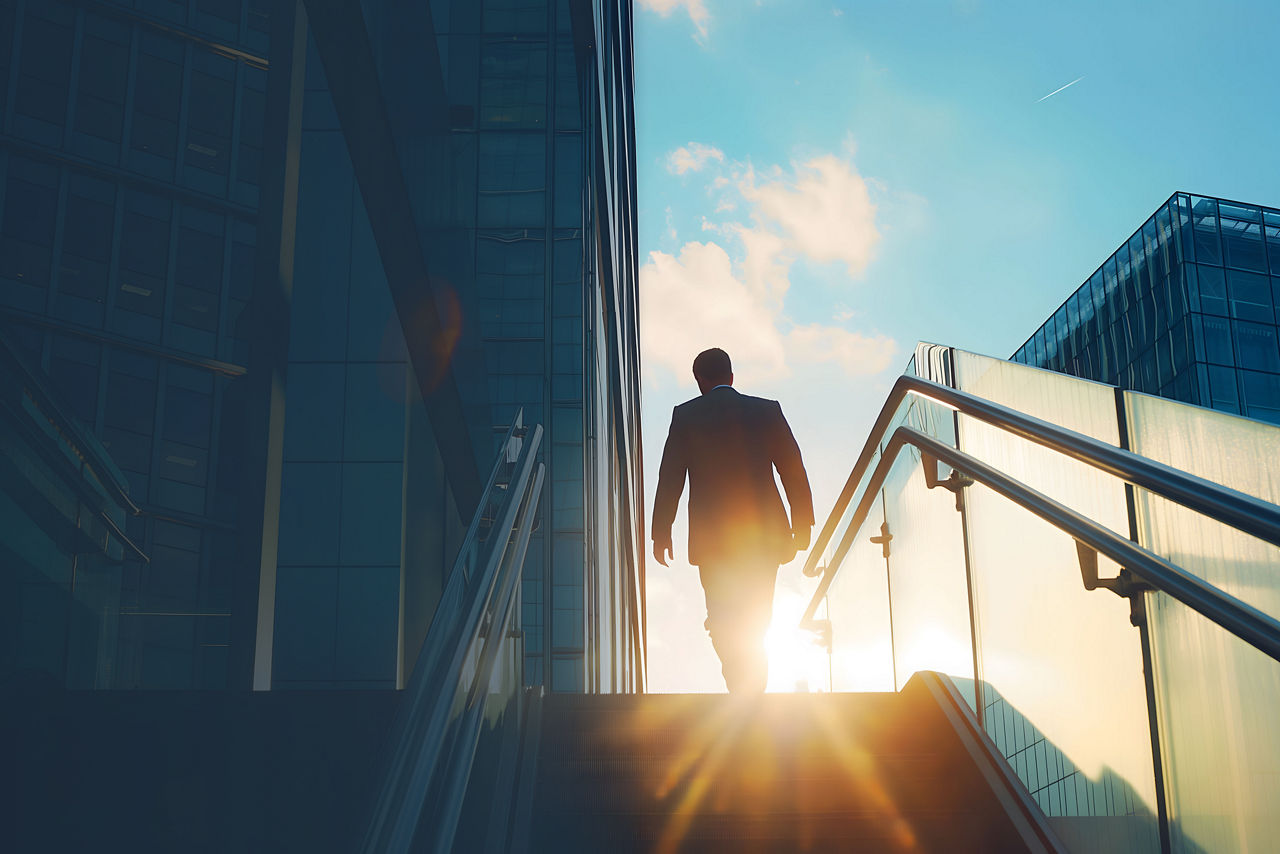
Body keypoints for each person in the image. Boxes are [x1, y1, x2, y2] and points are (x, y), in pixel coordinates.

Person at [652, 347, 814, 694]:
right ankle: (751, 688)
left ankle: (741, 686)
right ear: (731, 376)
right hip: (764, 538)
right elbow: (792, 468)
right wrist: (803, 523)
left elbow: (670, 477)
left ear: (700, 382)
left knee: (722, 618)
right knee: (757, 616)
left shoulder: (686, 416)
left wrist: (661, 531)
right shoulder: (766, 411)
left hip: (713, 542)